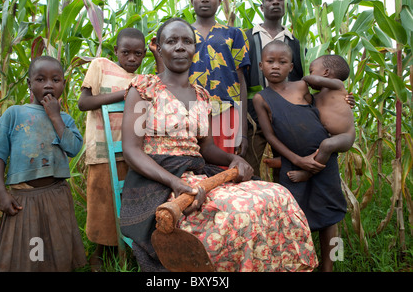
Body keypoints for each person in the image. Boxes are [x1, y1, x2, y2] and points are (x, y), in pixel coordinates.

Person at [119, 17, 318, 272]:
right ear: (159, 47)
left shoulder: (200, 95)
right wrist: (175, 182)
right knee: (237, 210)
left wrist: (233, 159)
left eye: (187, 41)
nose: (180, 47)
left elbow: (207, 148)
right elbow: (132, 150)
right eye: (172, 41)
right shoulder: (145, 89)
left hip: (197, 172)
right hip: (158, 177)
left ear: (195, 48)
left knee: (278, 195)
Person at [0, 56, 86, 272]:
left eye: (56, 79)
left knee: (56, 244)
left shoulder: (65, 119)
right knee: (29, 248)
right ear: (29, 84)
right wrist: (0, 192)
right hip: (24, 199)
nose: (48, 84)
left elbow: (74, 148)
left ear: (63, 85)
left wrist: (56, 118)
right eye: (40, 79)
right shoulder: (14, 114)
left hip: (56, 195)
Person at [253, 40, 347, 271]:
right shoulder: (261, 98)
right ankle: (298, 264)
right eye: (270, 62)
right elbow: (270, 136)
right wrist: (296, 160)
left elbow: (328, 101)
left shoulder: (303, 87)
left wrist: (346, 100)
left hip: (325, 162)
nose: (276, 66)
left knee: (332, 215)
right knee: (293, 216)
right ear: (260, 65)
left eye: (282, 62)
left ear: (291, 66)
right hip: (292, 166)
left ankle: (332, 265)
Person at [78, 28, 149, 271]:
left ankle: (127, 248)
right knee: (102, 203)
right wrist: (124, 94)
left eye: (138, 54)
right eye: (126, 52)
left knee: (126, 201)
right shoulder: (100, 66)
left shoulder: (142, 81)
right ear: (115, 51)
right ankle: (98, 251)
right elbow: (83, 102)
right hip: (101, 151)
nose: (131, 58)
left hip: (131, 153)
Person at [244, 0, 304, 179]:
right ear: (262, 6)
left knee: (287, 166)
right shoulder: (246, 37)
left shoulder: (294, 42)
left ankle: (286, 205)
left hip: (286, 114)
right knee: (249, 162)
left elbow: (301, 77)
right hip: (253, 116)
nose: (275, 2)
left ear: (286, 6)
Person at [188, 0, 250, 157]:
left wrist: (243, 133)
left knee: (223, 167)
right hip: (189, 110)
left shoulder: (234, 34)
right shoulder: (182, 34)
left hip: (226, 111)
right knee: (190, 164)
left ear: (220, 1)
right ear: (192, 1)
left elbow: (241, 81)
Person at [286, 54, 356, 182]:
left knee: (327, 145)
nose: (310, 74)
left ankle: (309, 173)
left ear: (326, 72)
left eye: (311, 71)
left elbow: (316, 81)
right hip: (329, 134)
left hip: (345, 135)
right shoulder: (316, 97)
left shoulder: (338, 86)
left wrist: (304, 79)